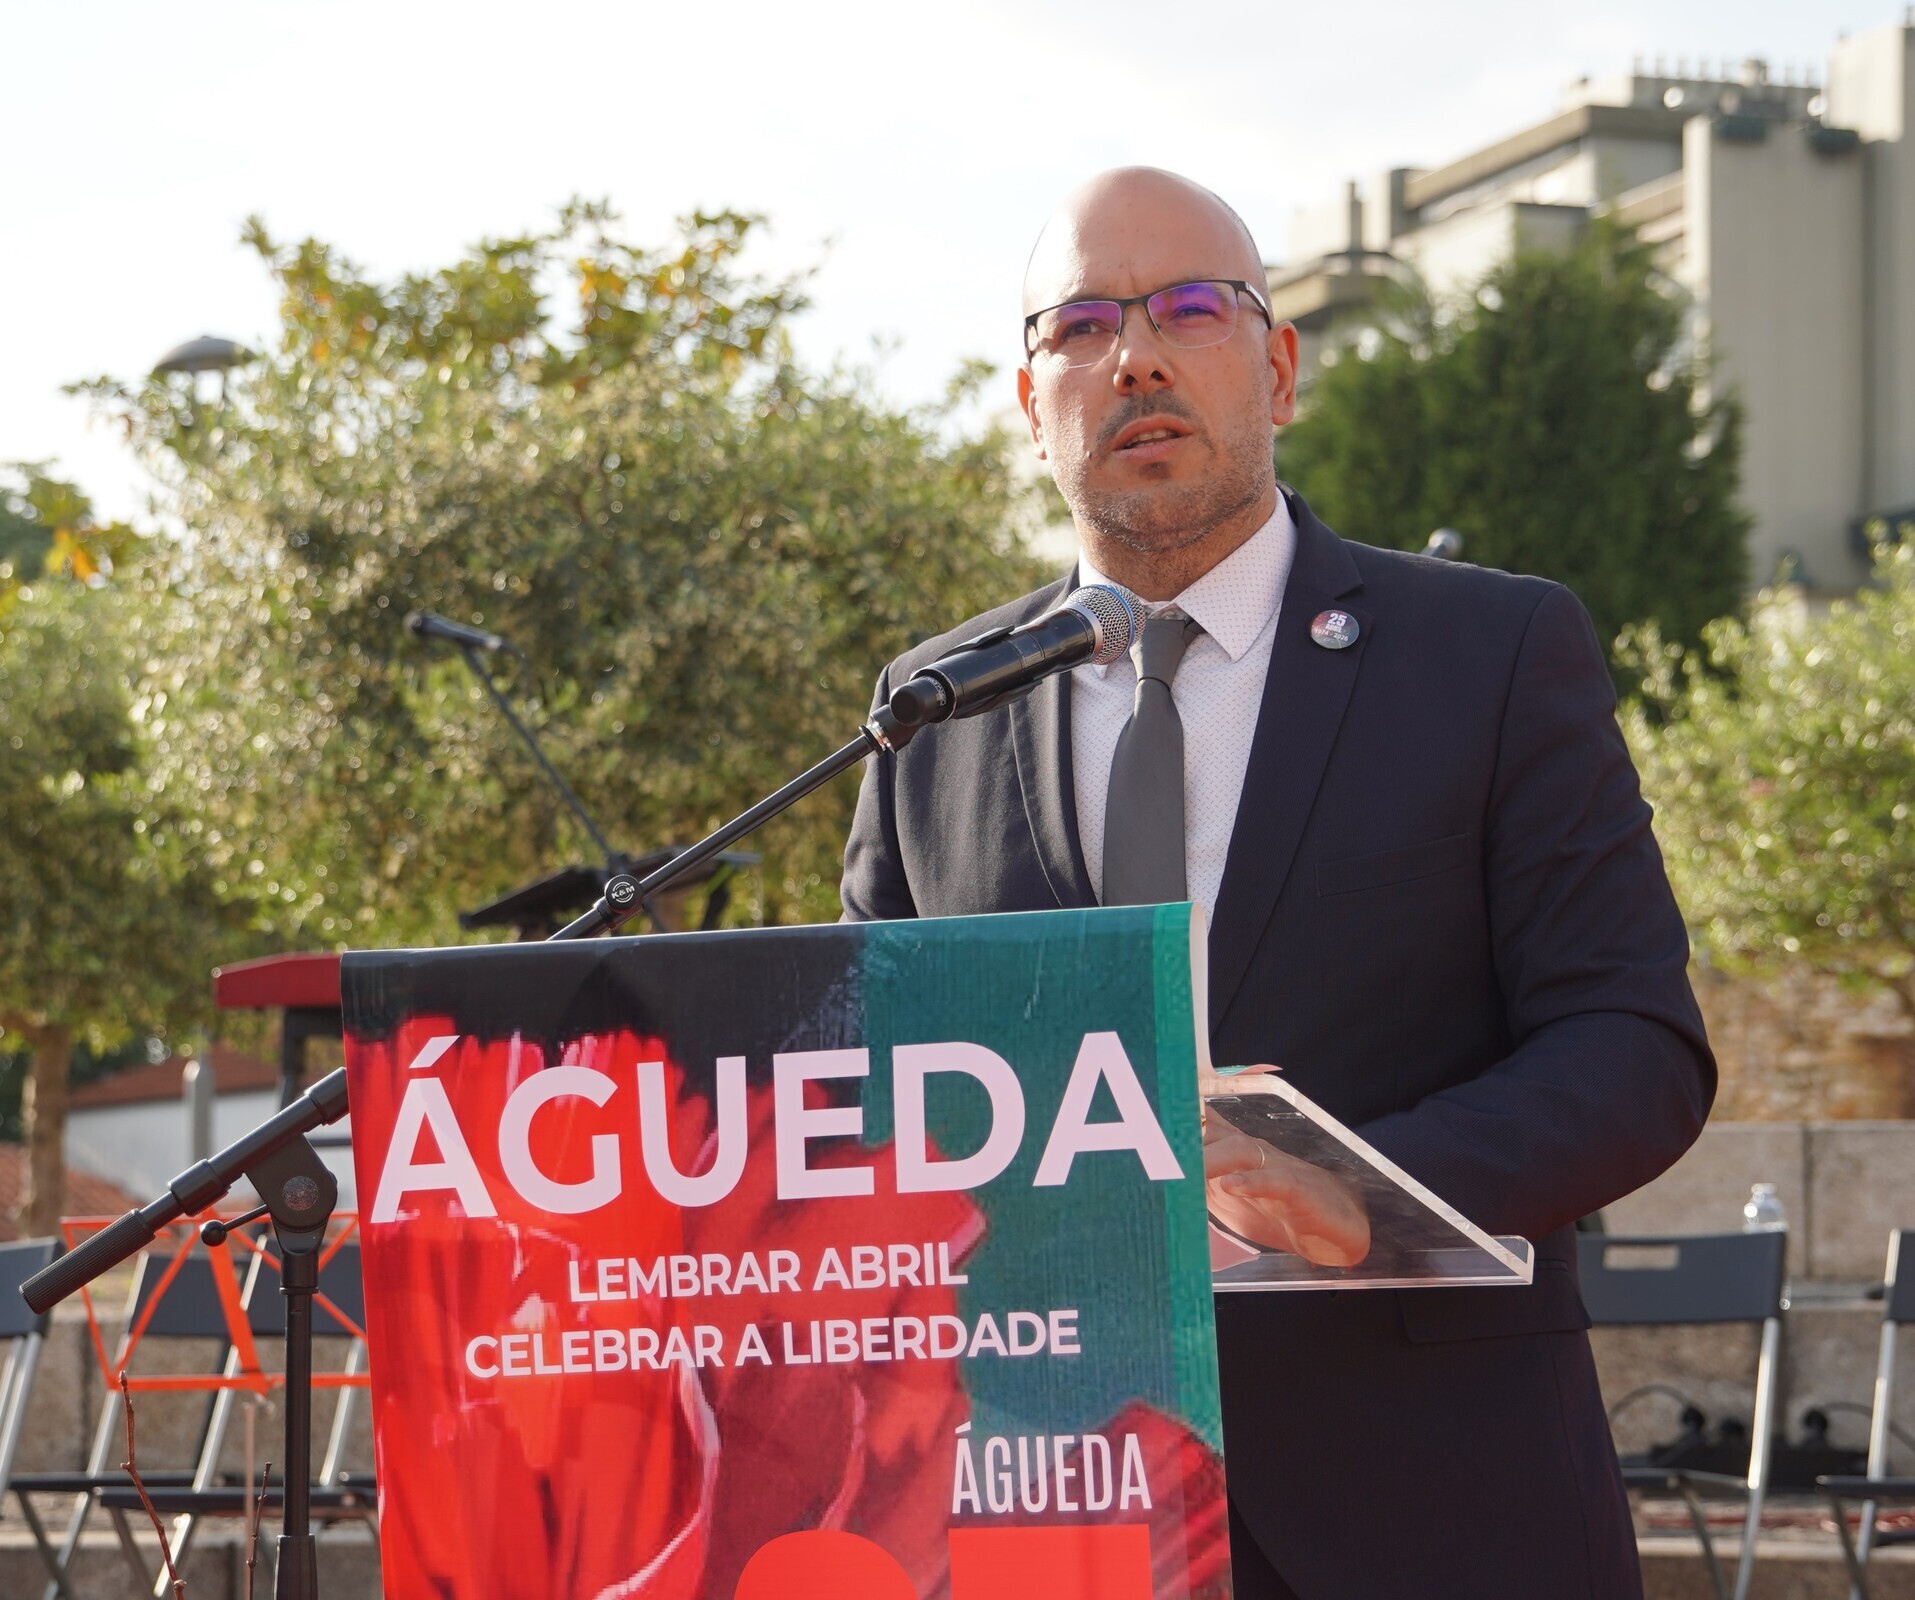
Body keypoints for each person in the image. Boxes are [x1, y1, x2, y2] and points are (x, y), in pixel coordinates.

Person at [839, 166, 1714, 1599]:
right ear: (1031, 403)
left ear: (1281, 368)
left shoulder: (1491, 656)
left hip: (1432, 1502)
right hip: (1051, 1506)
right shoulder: (936, 710)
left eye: (1192, 307)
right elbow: (863, 1090)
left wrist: (1365, 1188)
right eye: (1082, 326)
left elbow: (1634, 1051)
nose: (1137, 356)